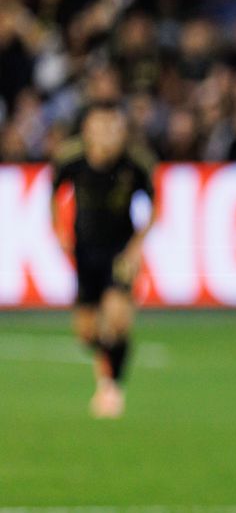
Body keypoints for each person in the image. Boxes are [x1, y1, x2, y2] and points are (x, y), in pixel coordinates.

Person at [50, 103, 157, 419]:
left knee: (117, 318)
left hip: (120, 250)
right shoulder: (70, 159)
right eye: (101, 127)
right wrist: (58, 228)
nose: (108, 134)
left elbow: (156, 206)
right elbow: (54, 193)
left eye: (114, 127)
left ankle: (112, 387)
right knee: (86, 332)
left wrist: (137, 246)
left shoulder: (136, 163)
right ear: (87, 130)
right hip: (84, 251)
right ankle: (105, 370)